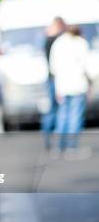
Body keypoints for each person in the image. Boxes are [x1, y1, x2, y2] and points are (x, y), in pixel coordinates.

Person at [49, 23, 90, 152]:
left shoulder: (58, 43)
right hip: (78, 84)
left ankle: (60, 145)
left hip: (62, 85)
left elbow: (53, 68)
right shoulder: (81, 43)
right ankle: (72, 145)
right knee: (75, 115)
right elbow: (86, 66)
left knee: (62, 114)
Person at [42, 17, 66, 148]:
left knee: (53, 109)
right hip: (55, 78)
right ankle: (55, 139)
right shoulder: (54, 40)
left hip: (53, 78)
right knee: (56, 109)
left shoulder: (48, 39)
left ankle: (49, 138)